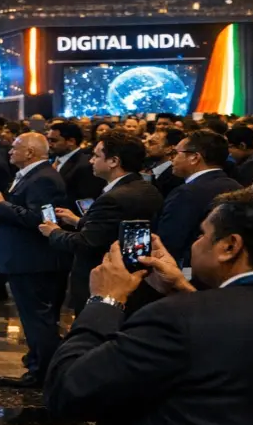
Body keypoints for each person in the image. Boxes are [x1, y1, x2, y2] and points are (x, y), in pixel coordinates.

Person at [45, 187, 253, 425]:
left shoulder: (177, 318)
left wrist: (105, 300)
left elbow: (71, 391)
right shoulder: (196, 312)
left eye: (202, 235)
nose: (197, 244)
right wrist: (185, 291)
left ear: (230, 246)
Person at [39, 131, 163, 314]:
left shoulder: (113, 198)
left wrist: (54, 232)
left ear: (114, 161)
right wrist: (79, 221)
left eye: (97, 156)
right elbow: (110, 229)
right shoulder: (146, 188)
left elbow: (87, 243)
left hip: (104, 284)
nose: (91, 161)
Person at [0, 133, 69, 386]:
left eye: (14, 148)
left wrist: (1, 207)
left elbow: (40, 219)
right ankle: (37, 360)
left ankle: (42, 372)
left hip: (33, 260)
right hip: (23, 258)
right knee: (33, 317)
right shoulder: (32, 175)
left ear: (30, 152)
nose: (9, 152)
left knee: (38, 318)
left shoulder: (44, 179)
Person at [155, 130, 243, 275]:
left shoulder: (187, 193)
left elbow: (169, 243)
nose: (172, 160)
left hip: (189, 272)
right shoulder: (235, 185)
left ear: (194, 158)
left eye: (176, 154)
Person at [48, 122, 105, 201]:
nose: (49, 144)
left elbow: (86, 201)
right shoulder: (52, 160)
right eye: (48, 140)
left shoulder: (86, 165)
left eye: (53, 141)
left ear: (71, 141)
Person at [144, 127, 185, 198]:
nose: (146, 146)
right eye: (147, 142)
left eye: (152, 143)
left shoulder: (175, 177)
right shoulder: (147, 167)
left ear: (169, 149)